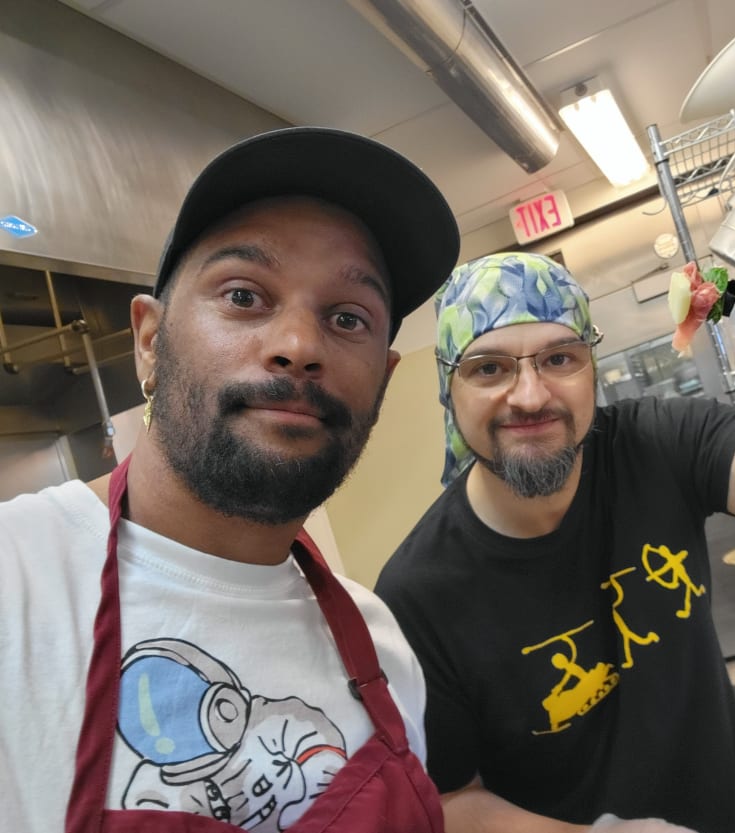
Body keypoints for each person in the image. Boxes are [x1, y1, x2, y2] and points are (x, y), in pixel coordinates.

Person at [375, 243, 735, 833]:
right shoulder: (419, 593)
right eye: (488, 368)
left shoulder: (657, 444)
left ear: (591, 365)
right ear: (449, 390)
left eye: (559, 358)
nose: (530, 395)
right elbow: (449, 799)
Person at [0, 126, 460, 833]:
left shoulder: (384, 650)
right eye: (245, 295)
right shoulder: (16, 586)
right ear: (149, 340)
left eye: (347, 317)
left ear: (385, 379)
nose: (301, 346)